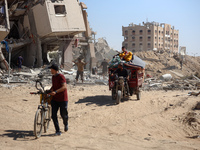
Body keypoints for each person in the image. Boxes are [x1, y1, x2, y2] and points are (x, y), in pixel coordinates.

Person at [49, 63, 68, 136]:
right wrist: (50, 91)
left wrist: (56, 92)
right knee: (53, 115)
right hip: (55, 99)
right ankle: (58, 130)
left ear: (54, 70)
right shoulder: (53, 77)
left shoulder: (61, 76)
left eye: (51, 69)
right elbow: (54, 86)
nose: (50, 70)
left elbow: (64, 87)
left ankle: (65, 123)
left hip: (63, 99)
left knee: (63, 114)